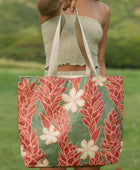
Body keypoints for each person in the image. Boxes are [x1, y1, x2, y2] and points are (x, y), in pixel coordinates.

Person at [36, 0, 110, 170]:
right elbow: (45, 5)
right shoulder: (52, 3)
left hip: (91, 97)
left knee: (88, 164)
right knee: (52, 164)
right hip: (54, 95)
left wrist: (105, 100)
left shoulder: (103, 9)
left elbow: (100, 60)